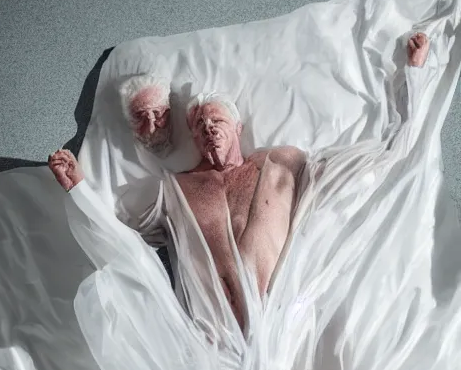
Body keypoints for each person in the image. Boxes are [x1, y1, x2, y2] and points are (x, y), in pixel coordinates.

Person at [49, 32, 431, 333]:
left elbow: (374, 160)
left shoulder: (282, 163)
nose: (207, 128)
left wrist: (413, 77)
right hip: (209, 340)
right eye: (198, 126)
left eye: (216, 120)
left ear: (239, 128)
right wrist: (79, 188)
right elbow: (119, 237)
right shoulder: (175, 188)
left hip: (285, 327)